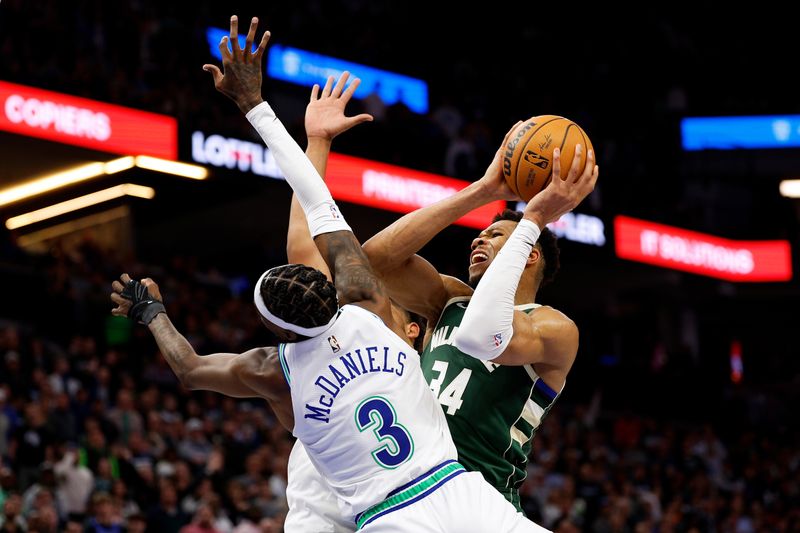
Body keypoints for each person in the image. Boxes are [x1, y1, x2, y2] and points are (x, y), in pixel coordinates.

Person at [111, 15, 592, 532]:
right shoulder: (372, 313)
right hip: (431, 492)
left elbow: (195, 364)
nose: (478, 237)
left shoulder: (282, 365)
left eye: (493, 235)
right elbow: (332, 237)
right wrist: (496, 199)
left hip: (446, 491)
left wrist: (154, 314)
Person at [361, 130, 598, 513]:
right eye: (479, 234)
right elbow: (373, 262)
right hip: (409, 488)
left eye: (494, 235)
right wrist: (483, 190)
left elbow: (488, 337)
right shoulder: (449, 300)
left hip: (483, 502)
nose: (477, 240)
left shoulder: (553, 328)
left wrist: (533, 218)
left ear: (530, 254)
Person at [282, 71, 422, 533]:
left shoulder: (428, 377)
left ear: (412, 332)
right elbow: (305, 240)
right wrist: (317, 142)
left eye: (388, 308)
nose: (371, 308)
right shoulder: (333, 339)